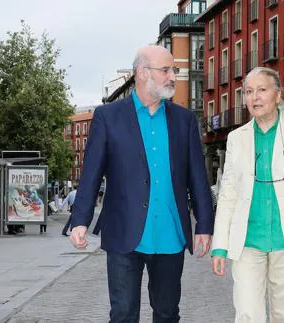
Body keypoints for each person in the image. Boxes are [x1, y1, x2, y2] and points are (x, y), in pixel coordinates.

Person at [69, 45, 213, 322]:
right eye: (166, 70)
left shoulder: (184, 120)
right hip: (123, 232)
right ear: (143, 73)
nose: (173, 76)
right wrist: (80, 220)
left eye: (174, 70)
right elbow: (91, 174)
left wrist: (204, 225)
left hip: (170, 233)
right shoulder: (108, 117)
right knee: (123, 314)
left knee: (168, 313)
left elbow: (198, 175)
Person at [211, 67, 284, 323]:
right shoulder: (236, 138)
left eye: (262, 90)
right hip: (247, 241)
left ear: (278, 95)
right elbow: (228, 194)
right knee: (247, 314)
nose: (255, 97)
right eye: (249, 92)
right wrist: (219, 246)